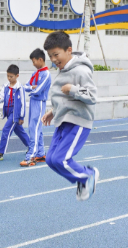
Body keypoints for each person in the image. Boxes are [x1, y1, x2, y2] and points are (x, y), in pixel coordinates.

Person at [41, 31, 99, 201]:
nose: (53, 59)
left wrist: (73, 89)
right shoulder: (63, 70)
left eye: (56, 54)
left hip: (78, 121)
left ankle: (88, 175)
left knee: (62, 159)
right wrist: (53, 111)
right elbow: (63, 97)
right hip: (62, 120)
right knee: (51, 159)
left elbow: (92, 96)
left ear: (69, 50)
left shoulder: (81, 70)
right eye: (50, 56)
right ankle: (82, 178)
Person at [0, 64, 29, 162]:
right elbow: (2, 96)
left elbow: (23, 103)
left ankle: (0, 153)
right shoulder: (6, 86)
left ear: (17, 76)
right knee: (19, 131)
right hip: (8, 111)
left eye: (11, 76)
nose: (9, 78)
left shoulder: (20, 88)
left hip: (15, 113)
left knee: (6, 130)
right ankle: (32, 147)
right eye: (8, 76)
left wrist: (22, 116)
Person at [20, 48, 52, 167]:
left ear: (40, 59)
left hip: (39, 102)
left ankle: (31, 156)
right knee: (35, 128)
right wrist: (32, 88)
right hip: (33, 101)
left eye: (34, 61)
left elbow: (38, 90)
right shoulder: (36, 73)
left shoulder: (46, 74)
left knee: (35, 128)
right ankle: (40, 153)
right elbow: (26, 86)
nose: (33, 64)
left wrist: (32, 88)